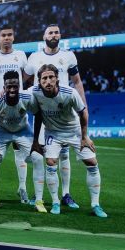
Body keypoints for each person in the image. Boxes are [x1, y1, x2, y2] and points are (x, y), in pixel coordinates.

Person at [29, 64, 104, 217]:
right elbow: (37, 116)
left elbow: (83, 113)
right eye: (44, 78)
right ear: (39, 81)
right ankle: (56, 202)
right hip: (53, 133)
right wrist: (36, 141)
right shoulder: (35, 92)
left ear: (57, 79)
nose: (48, 81)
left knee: (92, 162)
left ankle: (96, 204)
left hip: (74, 131)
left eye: (51, 77)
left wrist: (84, 137)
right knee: (50, 162)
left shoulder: (70, 93)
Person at [25, 25, 86, 210]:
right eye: (50, 32)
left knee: (64, 154)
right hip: (43, 112)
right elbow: (25, 79)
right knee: (42, 154)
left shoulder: (68, 56)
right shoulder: (34, 57)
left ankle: (66, 194)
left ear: (60, 35)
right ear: (44, 36)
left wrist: (83, 105)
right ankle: (40, 194)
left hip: (63, 112)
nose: (54, 35)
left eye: (56, 32)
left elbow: (77, 82)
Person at [0, 71, 44, 210]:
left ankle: (39, 201)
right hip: (2, 131)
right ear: (4, 87)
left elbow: (38, 114)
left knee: (38, 158)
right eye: (9, 86)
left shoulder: (27, 98)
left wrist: (36, 142)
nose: (12, 89)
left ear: (19, 85)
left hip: (23, 131)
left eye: (15, 86)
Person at [0, 27, 31, 203]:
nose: (6, 38)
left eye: (9, 35)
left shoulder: (20, 55)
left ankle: (22, 188)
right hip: (0, 111)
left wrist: (18, 93)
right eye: (3, 36)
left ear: (13, 37)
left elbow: (25, 77)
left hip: (17, 109)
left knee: (20, 153)